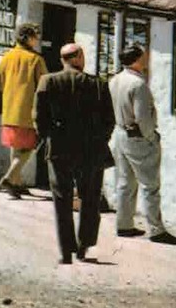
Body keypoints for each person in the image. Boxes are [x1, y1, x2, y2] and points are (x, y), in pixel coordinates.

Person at [36, 43, 117, 264]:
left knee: (61, 199)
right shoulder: (98, 85)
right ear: (79, 57)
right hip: (91, 150)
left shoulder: (48, 81)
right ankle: (84, 244)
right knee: (90, 198)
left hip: (59, 150)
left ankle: (66, 251)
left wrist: (49, 138)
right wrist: (100, 139)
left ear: (63, 59)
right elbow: (109, 119)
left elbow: (39, 117)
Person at [108, 44, 176, 245]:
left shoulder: (115, 80)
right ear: (136, 60)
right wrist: (152, 138)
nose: (146, 60)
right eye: (143, 57)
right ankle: (156, 229)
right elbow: (143, 118)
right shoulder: (138, 85)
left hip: (120, 133)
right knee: (150, 186)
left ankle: (123, 224)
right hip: (138, 137)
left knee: (125, 182)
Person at [0, 23, 46, 198]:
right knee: (32, 145)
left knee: (16, 147)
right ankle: (10, 177)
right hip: (28, 110)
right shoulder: (35, 60)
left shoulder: (7, 57)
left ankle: (16, 183)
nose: (37, 40)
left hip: (9, 108)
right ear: (28, 38)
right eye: (35, 37)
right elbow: (44, 85)